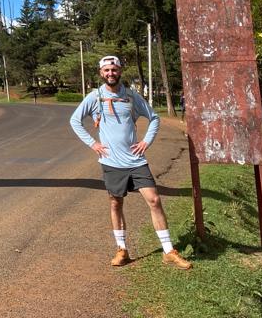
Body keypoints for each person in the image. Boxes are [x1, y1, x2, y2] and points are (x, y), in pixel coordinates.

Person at [69, 55, 192, 270]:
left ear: (120, 71)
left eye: (114, 69)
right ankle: (122, 249)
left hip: (136, 161)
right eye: (106, 70)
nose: (110, 73)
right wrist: (93, 144)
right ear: (101, 73)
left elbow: (154, 118)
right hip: (111, 162)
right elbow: (74, 120)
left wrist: (146, 141)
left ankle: (168, 251)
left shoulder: (132, 97)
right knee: (116, 203)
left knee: (154, 200)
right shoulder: (94, 97)